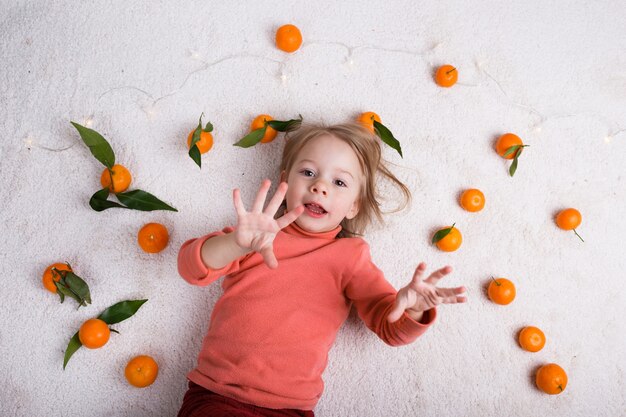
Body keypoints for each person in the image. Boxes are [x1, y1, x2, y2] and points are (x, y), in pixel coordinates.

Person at [176, 122, 467, 417]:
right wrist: (237, 244)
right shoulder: (257, 236)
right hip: (218, 396)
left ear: (354, 206)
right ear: (284, 182)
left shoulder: (350, 257)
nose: (320, 186)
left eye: (339, 183)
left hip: (291, 407)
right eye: (308, 173)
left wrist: (412, 309)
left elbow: (390, 328)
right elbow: (190, 267)